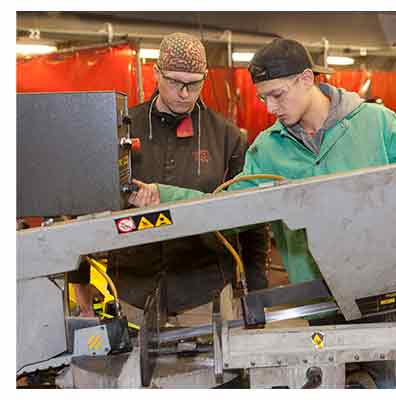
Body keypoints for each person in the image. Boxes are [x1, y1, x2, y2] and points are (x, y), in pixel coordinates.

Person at [128, 38, 396, 386]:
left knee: (380, 377)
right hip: (316, 298)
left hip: (378, 290)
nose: (270, 108)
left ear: (306, 79)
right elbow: (227, 205)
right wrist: (164, 194)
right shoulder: (269, 149)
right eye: (263, 98)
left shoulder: (374, 123)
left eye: (277, 95)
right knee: (325, 378)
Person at [69, 33, 270, 321]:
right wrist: (83, 294)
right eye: (175, 82)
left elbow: (252, 221)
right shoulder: (120, 130)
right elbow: (82, 211)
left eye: (194, 84)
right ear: (156, 73)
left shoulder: (226, 137)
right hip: (133, 292)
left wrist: (257, 294)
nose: (184, 93)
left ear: (204, 77)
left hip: (204, 294)